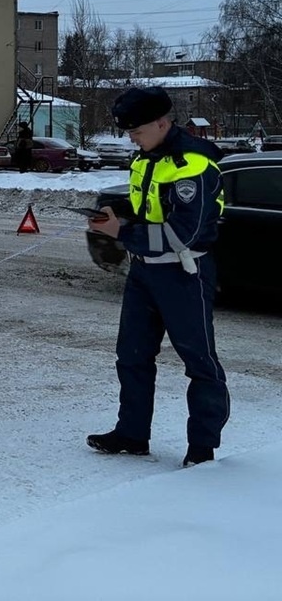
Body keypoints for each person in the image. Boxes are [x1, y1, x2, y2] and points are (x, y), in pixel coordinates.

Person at [86, 86, 229, 468]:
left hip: (185, 273)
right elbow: (148, 212)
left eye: (136, 131)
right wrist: (112, 216)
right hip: (144, 271)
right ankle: (132, 434)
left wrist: (121, 233)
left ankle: (203, 448)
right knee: (131, 355)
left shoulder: (193, 165)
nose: (131, 137)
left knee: (199, 361)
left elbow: (184, 233)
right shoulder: (146, 158)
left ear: (162, 123)